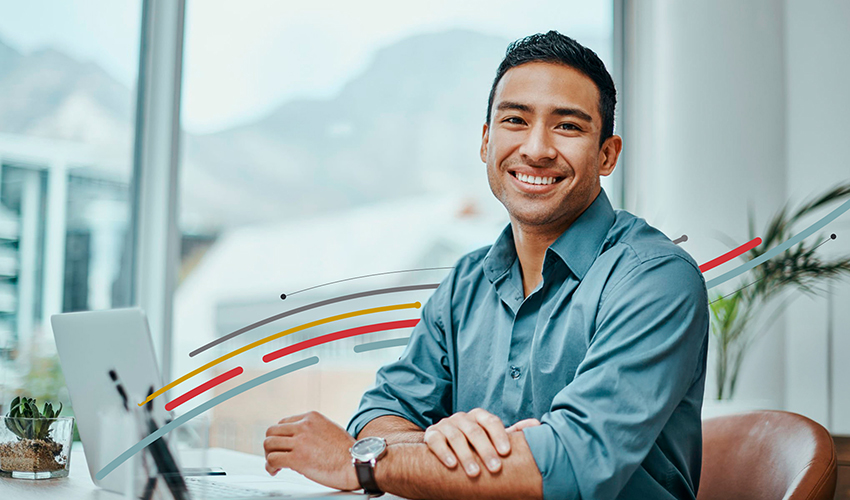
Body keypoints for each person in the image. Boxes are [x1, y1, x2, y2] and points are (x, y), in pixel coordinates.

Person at [263, 31, 708, 500]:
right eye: (515, 120)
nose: (536, 149)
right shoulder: (465, 283)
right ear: (485, 141)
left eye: (567, 126)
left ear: (606, 155)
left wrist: (362, 462)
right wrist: (435, 444)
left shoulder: (655, 279)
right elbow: (384, 411)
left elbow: (570, 466)